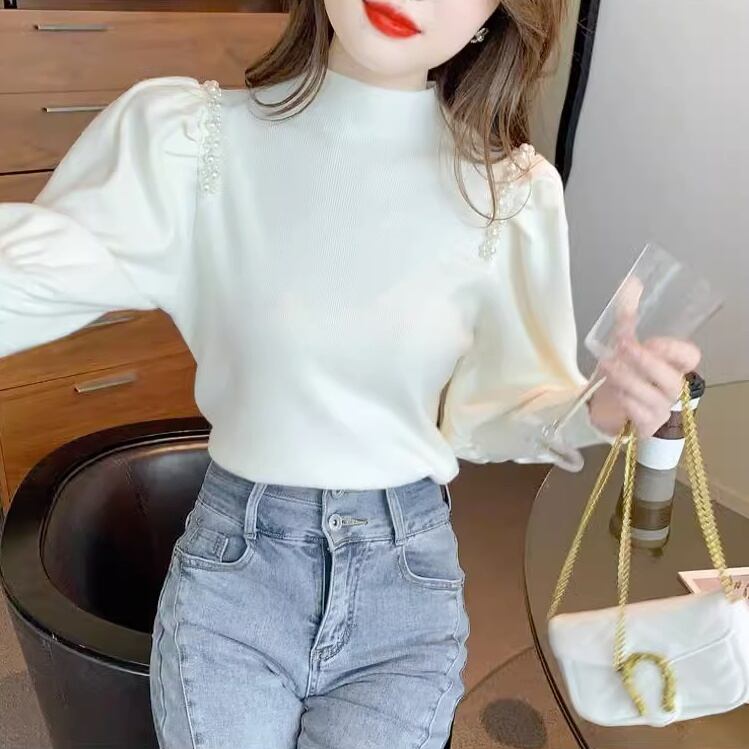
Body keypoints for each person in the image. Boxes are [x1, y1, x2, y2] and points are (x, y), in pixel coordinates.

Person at [0, 1, 701, 747]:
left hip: (405, 585)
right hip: (236, 573)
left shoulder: (508, 195)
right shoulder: (195, 141)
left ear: (493, 16)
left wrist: (596, 409)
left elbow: (499, 408)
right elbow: (40, 275)